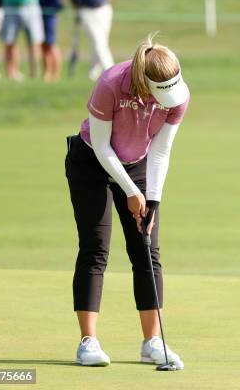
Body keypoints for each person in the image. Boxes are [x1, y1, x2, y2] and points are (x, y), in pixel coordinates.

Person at [65, 33, 189, 368]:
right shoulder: (111, 83)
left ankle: (152, 343)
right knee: (95, 248)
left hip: (138, 166)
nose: (166, 101)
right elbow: (103, 147)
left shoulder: (178, 97)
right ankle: (87, 343)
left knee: (146, 248)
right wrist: (131, 193)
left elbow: (161, 151)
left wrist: (153, 200)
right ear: (144, 81)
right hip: (91, 161)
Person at [69, 0, 121, 81]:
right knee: (99, 43)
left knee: (101, 43)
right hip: (86, 10)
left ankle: (93, 73)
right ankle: (112, 74)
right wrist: (75, 2)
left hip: (104, 8)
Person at [0, 0, 45, 81]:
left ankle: (34, 74)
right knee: (9, 41)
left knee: (34, 42)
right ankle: (12, 74)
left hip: (31, 6)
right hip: (10, 6)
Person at [39, 0, 63, 82]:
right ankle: (47, 73)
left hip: (49, 17)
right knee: (44, 45)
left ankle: (56, 74)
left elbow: (58, 2)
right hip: (41, 15)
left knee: (51, 44)